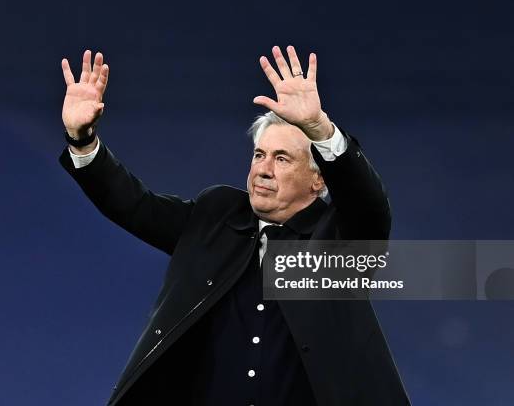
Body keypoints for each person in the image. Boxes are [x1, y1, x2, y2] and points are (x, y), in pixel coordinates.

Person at [59, 46, 410, 405]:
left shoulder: (340, 238)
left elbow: (368, 202)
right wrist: (82, 141)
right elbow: (135, 206)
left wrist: (319, 128)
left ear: (318, 180)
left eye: (282, 158)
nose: (263, 169)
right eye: (259, 155)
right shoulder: (217, 216)